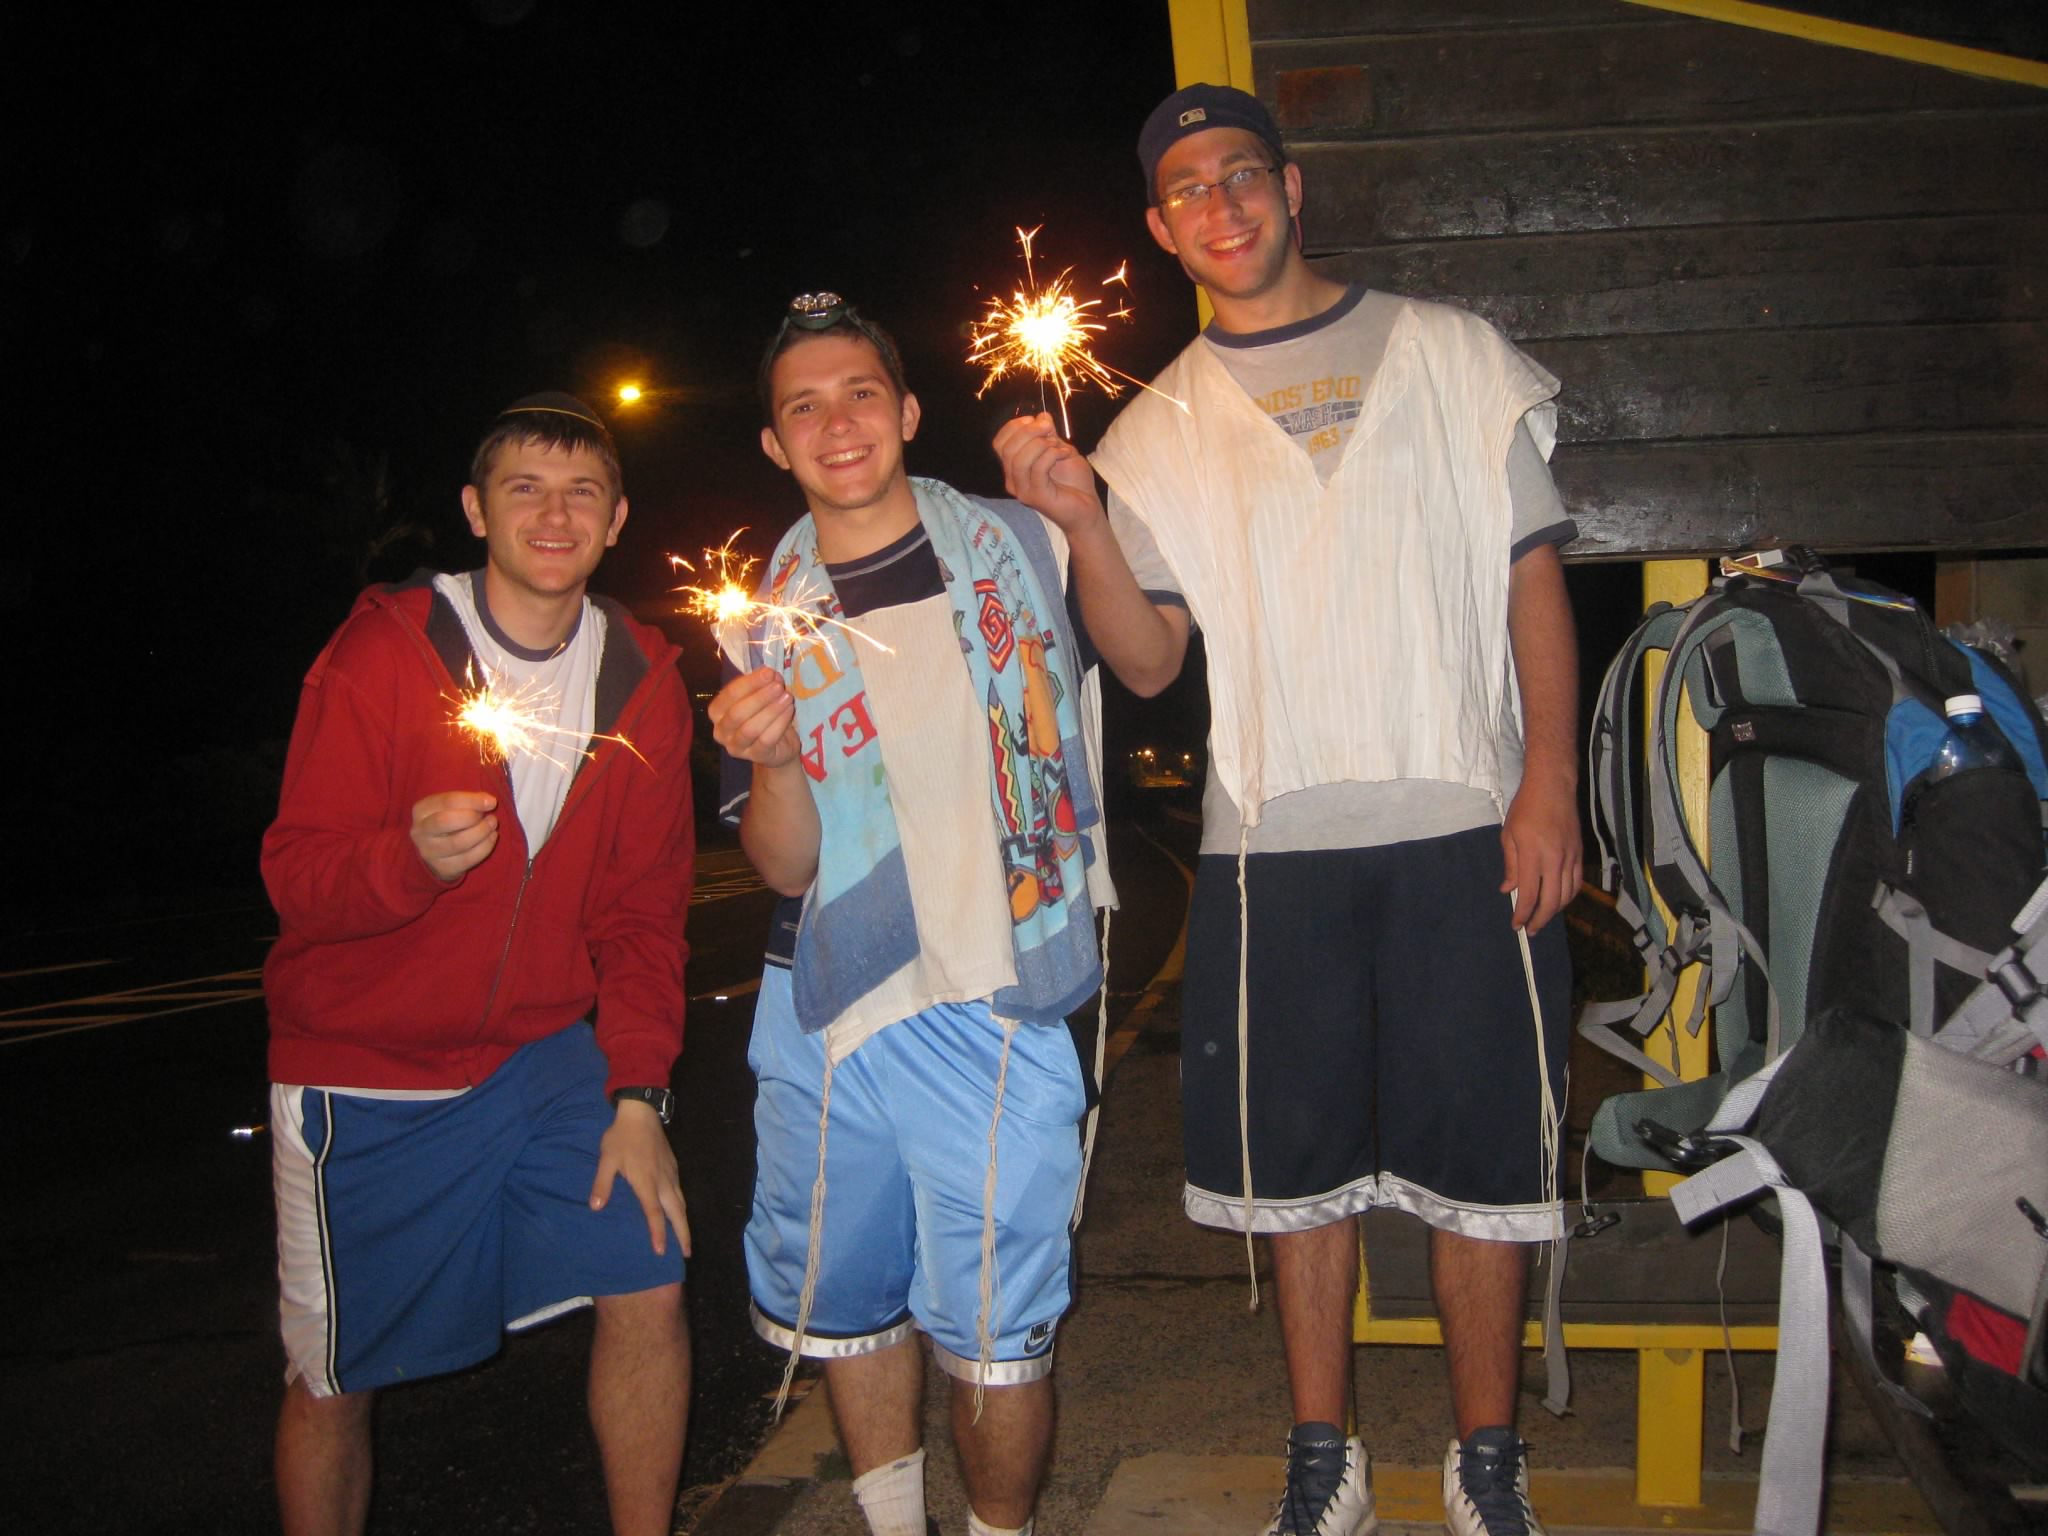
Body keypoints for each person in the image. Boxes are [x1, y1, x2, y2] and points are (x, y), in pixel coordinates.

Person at [995, 84, 1581, 1536]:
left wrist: (1548, 782)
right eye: (1188, 188)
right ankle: (1327, 1461)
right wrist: (1079, 520)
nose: (1223, 204)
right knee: (1299, 1179)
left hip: (1465, 821)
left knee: (1480, 1168)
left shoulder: (1450, 353)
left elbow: (1531, 579)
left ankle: (1485, 1462)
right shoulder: (1154, 425)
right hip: (1271, 851)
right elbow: (1147, 660)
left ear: (1291, 185)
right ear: (1160, 227)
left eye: (1242, 173)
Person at [710, 294, 1113, 1536]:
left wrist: (1086, 516)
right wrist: (774, 758)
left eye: (860, 395)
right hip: (828, 994)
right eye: (804, 407)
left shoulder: (1017, 546)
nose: (837, 424)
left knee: (999, 1331)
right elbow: (783, 866)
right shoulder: (758, 620)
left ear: (908, 411)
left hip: (997, 992)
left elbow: (1150, 659)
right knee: (846, 1307)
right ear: (773, 442)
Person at [260, 393, 696, 1536]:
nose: (554, 516)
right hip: (366, 1073)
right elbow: (294, 875)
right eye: (524, 490)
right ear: (474, 510)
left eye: (582, 493)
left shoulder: (642, 678)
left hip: (540, 1058)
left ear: (616, 522)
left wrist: (639, 1094)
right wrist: (403, 860)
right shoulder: (385, 652)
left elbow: (644, 917)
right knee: (333, 1377)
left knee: (650, 1269)